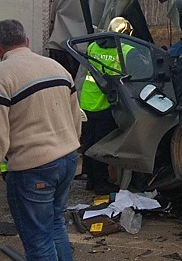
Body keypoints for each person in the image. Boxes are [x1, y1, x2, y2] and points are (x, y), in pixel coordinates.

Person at [0, 19, 81, 261]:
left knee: (38, 242)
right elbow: (75, 117)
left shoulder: (3, 76)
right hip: (67, 158)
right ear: (26, 41)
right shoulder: (56, 67)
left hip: (33, 167)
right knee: (56, 225)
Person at [79, 16, 135, 195]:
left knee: (88, 142)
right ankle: (102, 184)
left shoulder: (93, 45)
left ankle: (91, 180)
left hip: (87, 100)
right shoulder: (126, 50)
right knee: (101, 146)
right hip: (105, 104)